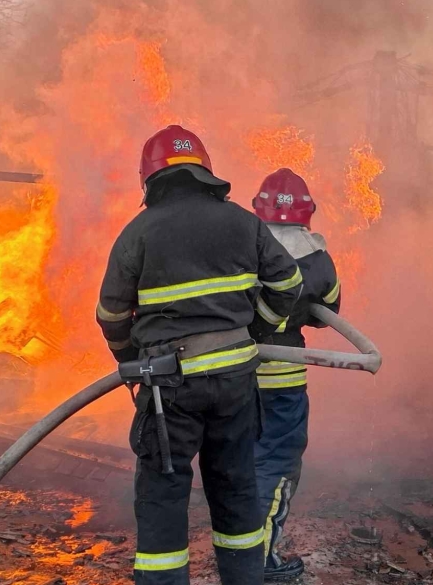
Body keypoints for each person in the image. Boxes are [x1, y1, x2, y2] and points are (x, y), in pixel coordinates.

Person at [95, 126, 303, 585]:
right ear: (205, 172)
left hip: (170, 388)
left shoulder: (138, 232)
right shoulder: (242, 221)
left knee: (164, 495)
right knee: (235, 488)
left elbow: (110, 315)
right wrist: (254, 328)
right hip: (235, 384)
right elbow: (288, 285)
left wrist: (131, 361)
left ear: (150, 180)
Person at [248, 168, 342, 581]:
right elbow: (330, 312)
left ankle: (236, 552)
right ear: (307, 212)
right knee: (275, 466)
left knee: (236, 464)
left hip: (231, 379)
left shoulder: (239, 243)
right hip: (281, 385)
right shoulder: (315, 255)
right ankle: (259, 562)